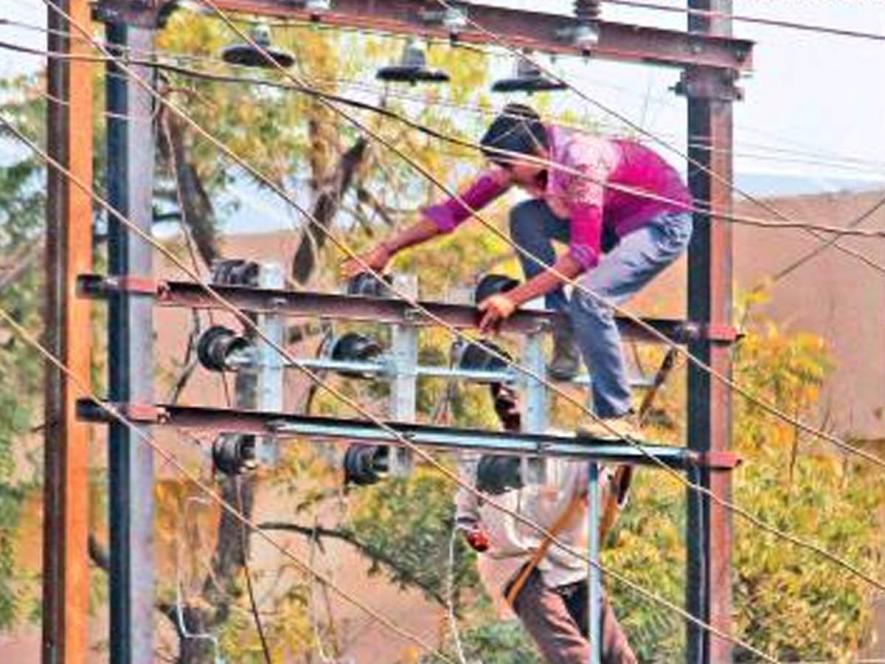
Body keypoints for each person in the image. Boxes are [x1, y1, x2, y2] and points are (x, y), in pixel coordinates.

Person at [341, 103, 693, 438]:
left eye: (508, 167)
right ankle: (564, 332)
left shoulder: (581, 162)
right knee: (524, 217)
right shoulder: (517, 163)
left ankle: (618, 415)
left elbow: (582, 256)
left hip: (661, 221)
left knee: (589, 298)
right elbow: (452, 213)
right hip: (614, 221)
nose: (504, 176)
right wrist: (388, 249)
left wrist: (512, 299)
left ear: (536, 154)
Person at [456, 382, 637, 664]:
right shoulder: (483, 458)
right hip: (518, 568)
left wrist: (629, 461)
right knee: (574, 657)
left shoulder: (566, 449)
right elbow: (466, 517)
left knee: (619, 656)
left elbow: (609, 496)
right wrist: (474, 535)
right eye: (498, 391)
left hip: (571, 564)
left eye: (511, 388)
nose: (504, 396)